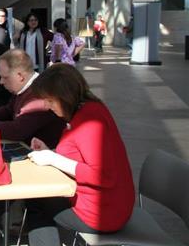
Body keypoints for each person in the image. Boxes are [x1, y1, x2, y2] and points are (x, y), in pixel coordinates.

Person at [26, 63, 135, 245]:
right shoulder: (89, 110)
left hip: (103, 214)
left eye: (50, 100)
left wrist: (53, 158)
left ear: (65, 96)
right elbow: (82, 155)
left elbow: (103, 175)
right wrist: (49, 152)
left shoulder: (89, 121)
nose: (46, 105)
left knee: (35, 200)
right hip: (109, 206)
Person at [0, 49, 65, 148]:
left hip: (40, 153)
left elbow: (18, 130)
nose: (1, 82)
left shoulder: (38, 94)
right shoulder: (24, 88)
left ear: (20, 76)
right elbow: (8, 110)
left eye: (5, 77)